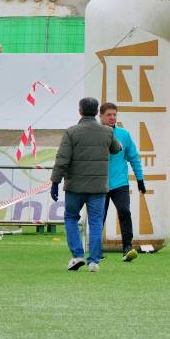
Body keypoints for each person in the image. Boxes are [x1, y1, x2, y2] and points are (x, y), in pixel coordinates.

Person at [50, 97, 121, 272]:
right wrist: (113, 134)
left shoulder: (71, 132)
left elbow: (62, 159)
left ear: (80, 111)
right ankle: (94, 261)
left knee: (71, 218)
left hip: (75, 187)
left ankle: (77, 255)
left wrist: (55, 181)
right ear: (97, 112)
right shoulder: (107, 132)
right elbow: (116, 149)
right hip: (98, 187)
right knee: (96, 222)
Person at [98, 102, 146, 262]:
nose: (112, 117)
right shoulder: (95, 134)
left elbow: (133, 156)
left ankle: (127, 246)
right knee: (99, 217)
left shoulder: (124, 135)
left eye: (114, 114)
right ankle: (96, 249)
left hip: (120, 183)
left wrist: (140, 179)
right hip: (99, 183)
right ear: (101, 116)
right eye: (109, 115)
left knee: (125, 212)